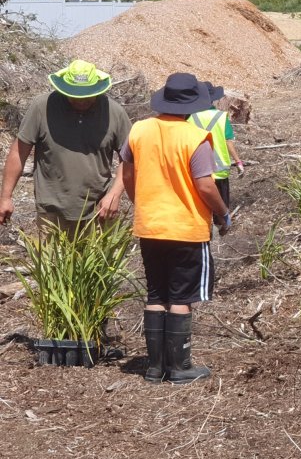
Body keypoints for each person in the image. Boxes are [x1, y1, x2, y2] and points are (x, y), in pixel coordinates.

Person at [121, 73, 230, 385]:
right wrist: (222, 214)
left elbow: (128, 173)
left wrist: (140, 201)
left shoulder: (139, 129)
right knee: (181, 297)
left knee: (156, 292)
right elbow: (206, 187)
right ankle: (180, 367)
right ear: (192, 106)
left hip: (150, 225)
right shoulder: (194, 137)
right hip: (185, 228)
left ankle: (155, 368)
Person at [0, 60, 130, 231]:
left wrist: (114, 195)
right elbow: (19, 152)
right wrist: (6, 197)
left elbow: (129, 158)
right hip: (51, 211)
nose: (81, 101)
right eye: (75, 95)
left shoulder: (114, 112)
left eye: (87, 96)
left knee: (97, 258)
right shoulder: (42, 107)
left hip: (99, 211)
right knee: (50, 258)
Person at [189, 81, 243, 210]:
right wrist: (238, 161)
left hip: (198, 171)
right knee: (222, 206)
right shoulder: (221, 117)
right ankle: (222, 225)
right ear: (212, 99)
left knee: (203, 206)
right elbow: (228, 141)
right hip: (219, 171)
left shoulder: (189, 117)